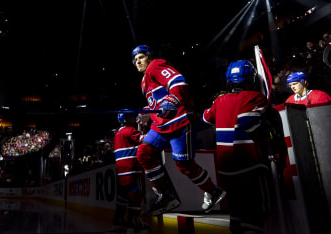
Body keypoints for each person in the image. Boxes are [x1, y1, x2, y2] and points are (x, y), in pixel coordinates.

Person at [132, 45, 225, 216]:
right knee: (144, 153)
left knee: (184, 165)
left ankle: (213, 191)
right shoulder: (144, 81)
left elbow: (178, 82)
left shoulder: (156, 65)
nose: (138, 61)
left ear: (149, 57)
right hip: (160, 125)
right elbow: (156, 103)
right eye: (135, 59)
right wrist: (147, 112)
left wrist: (173, 99)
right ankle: (166, 195)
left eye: (141, 57)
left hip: (179, 121)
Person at [202, 59, 278, 233]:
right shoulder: (256, 98)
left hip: (226, 172)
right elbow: (252, 122)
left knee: (236, 217)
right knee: (255, 217)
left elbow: (205, 118)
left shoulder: (219, 101)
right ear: (251, 78)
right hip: (250, 169)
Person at [112, 112, 148, 230]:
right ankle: (134, 219)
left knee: (122, 195)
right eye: (130, 116)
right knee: (136, 194)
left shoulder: (117, 133)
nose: (133, 118)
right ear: (125, 119)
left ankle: (119, 218)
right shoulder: (129, 130)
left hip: (121, 171)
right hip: (133, 169)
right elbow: (146, 140)